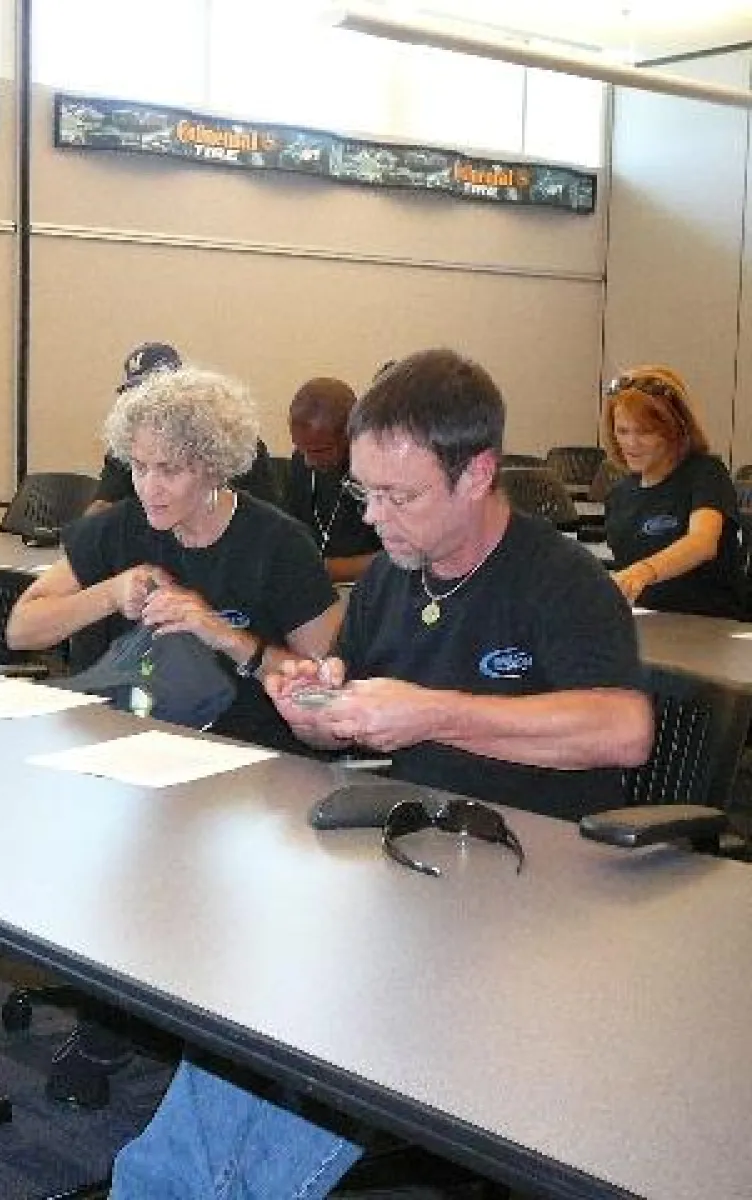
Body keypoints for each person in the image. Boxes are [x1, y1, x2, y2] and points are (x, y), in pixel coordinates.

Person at [110, 347, 653, 1199]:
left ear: (477, 474)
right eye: (366, 493)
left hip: (539, 890)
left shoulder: (562, 581)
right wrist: (319, 707)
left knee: (322, 1011)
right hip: (415, 863)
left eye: (400, 496)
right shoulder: (393, 584)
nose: (376, 521)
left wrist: (432, 711)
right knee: (255, 988)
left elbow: (624, 731)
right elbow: (355, 703)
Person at [7, 364, 342, 1108]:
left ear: (214, 465)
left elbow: (327, 680)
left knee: (181, 858)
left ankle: (199, 1031)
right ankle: (120, 1009)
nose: (150, 486)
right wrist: (108, 592)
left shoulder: (274, 544)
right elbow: (21, 624)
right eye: (139, 466)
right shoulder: (121, 527)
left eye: (172, 469)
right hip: (134, 752)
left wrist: (220, 633)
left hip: (249, 765)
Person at [601, 365, 745, 618]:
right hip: (651, 623)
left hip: (711, 624)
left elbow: (703, 542)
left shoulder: (705, 473)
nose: (631, 443)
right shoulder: (619, 495)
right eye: (622, 431)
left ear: (673, 429)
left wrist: (645, 570)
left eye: (645, 432)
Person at [88, 343, 278, 515]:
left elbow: (269, 518)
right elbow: (102, 506)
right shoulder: (129, 447)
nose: (146, 406)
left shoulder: (234, 443)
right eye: (136, 396)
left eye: (157, 395)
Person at [282, 375, 381, 582]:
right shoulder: (302, 462)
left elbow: (402, 557)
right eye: (301, 448)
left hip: (368, 588)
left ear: (350, 433)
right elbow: (289, 534)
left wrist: (324, 569)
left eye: (320, 450)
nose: (308, 461)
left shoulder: (381, 473)